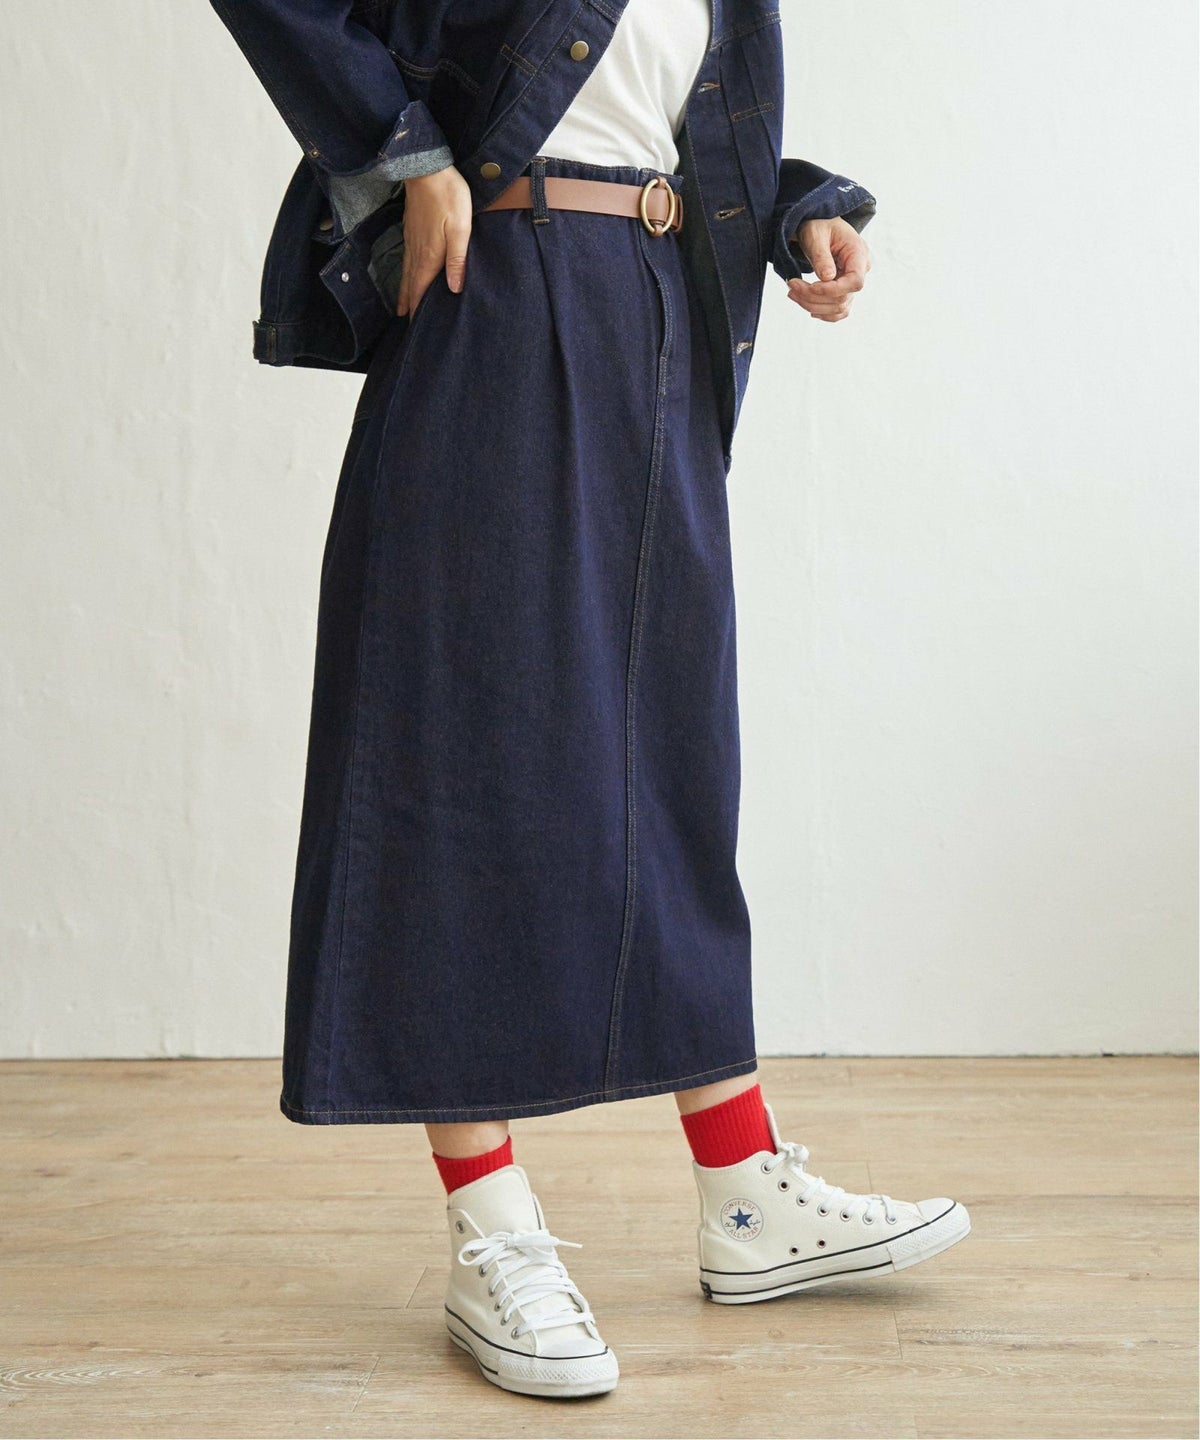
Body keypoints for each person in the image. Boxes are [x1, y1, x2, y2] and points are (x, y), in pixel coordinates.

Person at [208, 0, 970, 1400]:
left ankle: (743, 1190)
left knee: (671, 759)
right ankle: (490, 1226)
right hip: (496, 290)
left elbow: (639, 121)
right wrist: (405, 158)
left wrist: (796, 205)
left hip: (655, 306)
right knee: (460, 745)